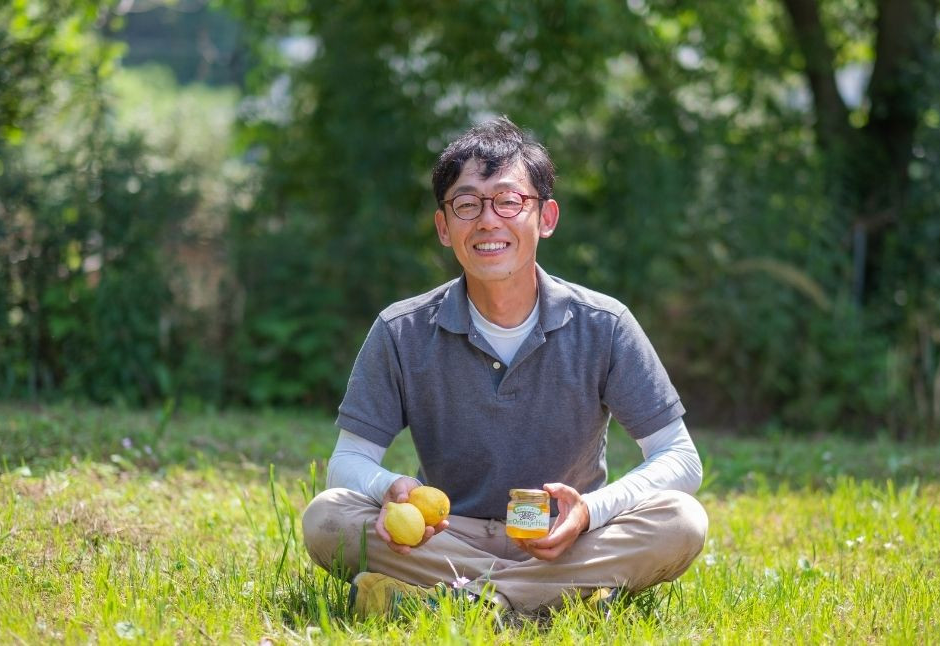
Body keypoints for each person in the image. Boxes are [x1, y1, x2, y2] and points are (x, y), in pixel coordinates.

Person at [301, 116, 708, 618]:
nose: (489, 221)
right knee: (326, 517)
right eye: (467, 204)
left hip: (564, 536)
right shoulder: (400, 330)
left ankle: (462, 601)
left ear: (547, 217)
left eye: (509, 201)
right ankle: (550, 600)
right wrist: (390, 489)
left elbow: (679, 458)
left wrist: (589, 512)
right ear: (444, 228)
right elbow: (347, 462)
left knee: (683, 520)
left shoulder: (604, 324)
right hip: (448, 534)